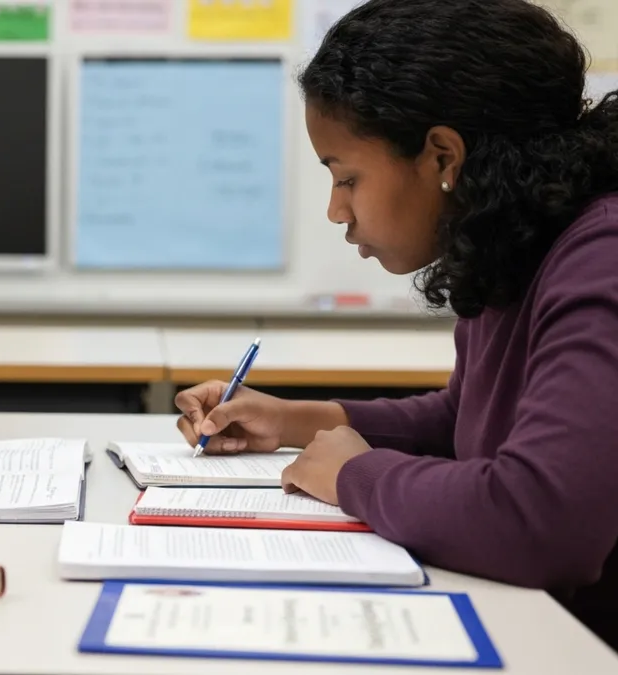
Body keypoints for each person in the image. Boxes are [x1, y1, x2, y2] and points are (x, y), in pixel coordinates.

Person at [176, 0, 618, 650]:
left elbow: (543, 521)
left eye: (347, 178)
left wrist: (356, 476)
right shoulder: (518, 239)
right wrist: (294, 421)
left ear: (442, 156)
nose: (336, 211)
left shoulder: (601, 257)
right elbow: (467, 420)